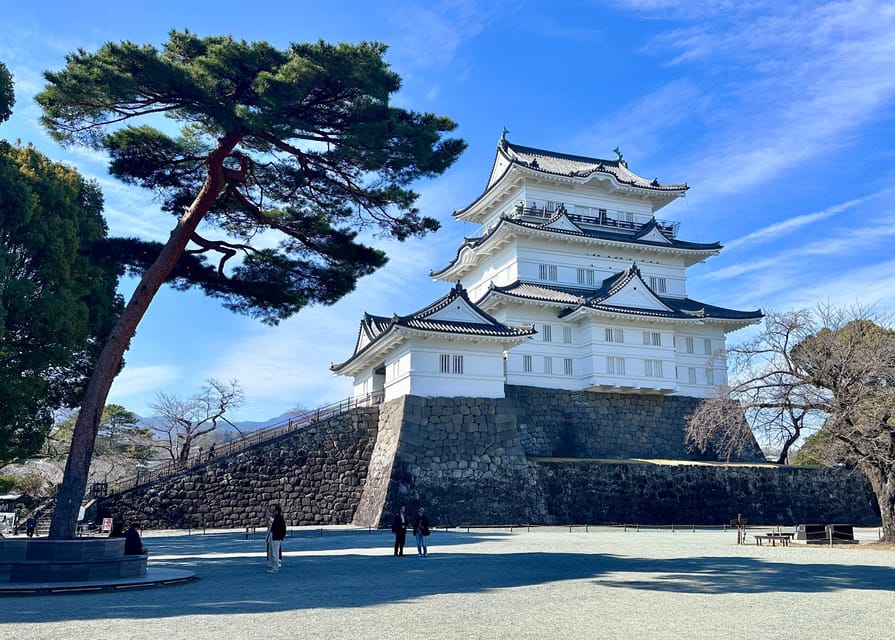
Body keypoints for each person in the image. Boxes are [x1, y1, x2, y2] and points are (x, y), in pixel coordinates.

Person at [266, 504, 287, 573]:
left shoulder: (279, 518)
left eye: (274, 510)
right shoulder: (277, 518)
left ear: (277, 511)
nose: (273, 512)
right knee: (271, 552)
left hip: (276, 537)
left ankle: (275, 568)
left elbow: (281, 528)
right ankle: (273, 566)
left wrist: (281, 537)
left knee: (275, 553)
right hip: (273, 536)